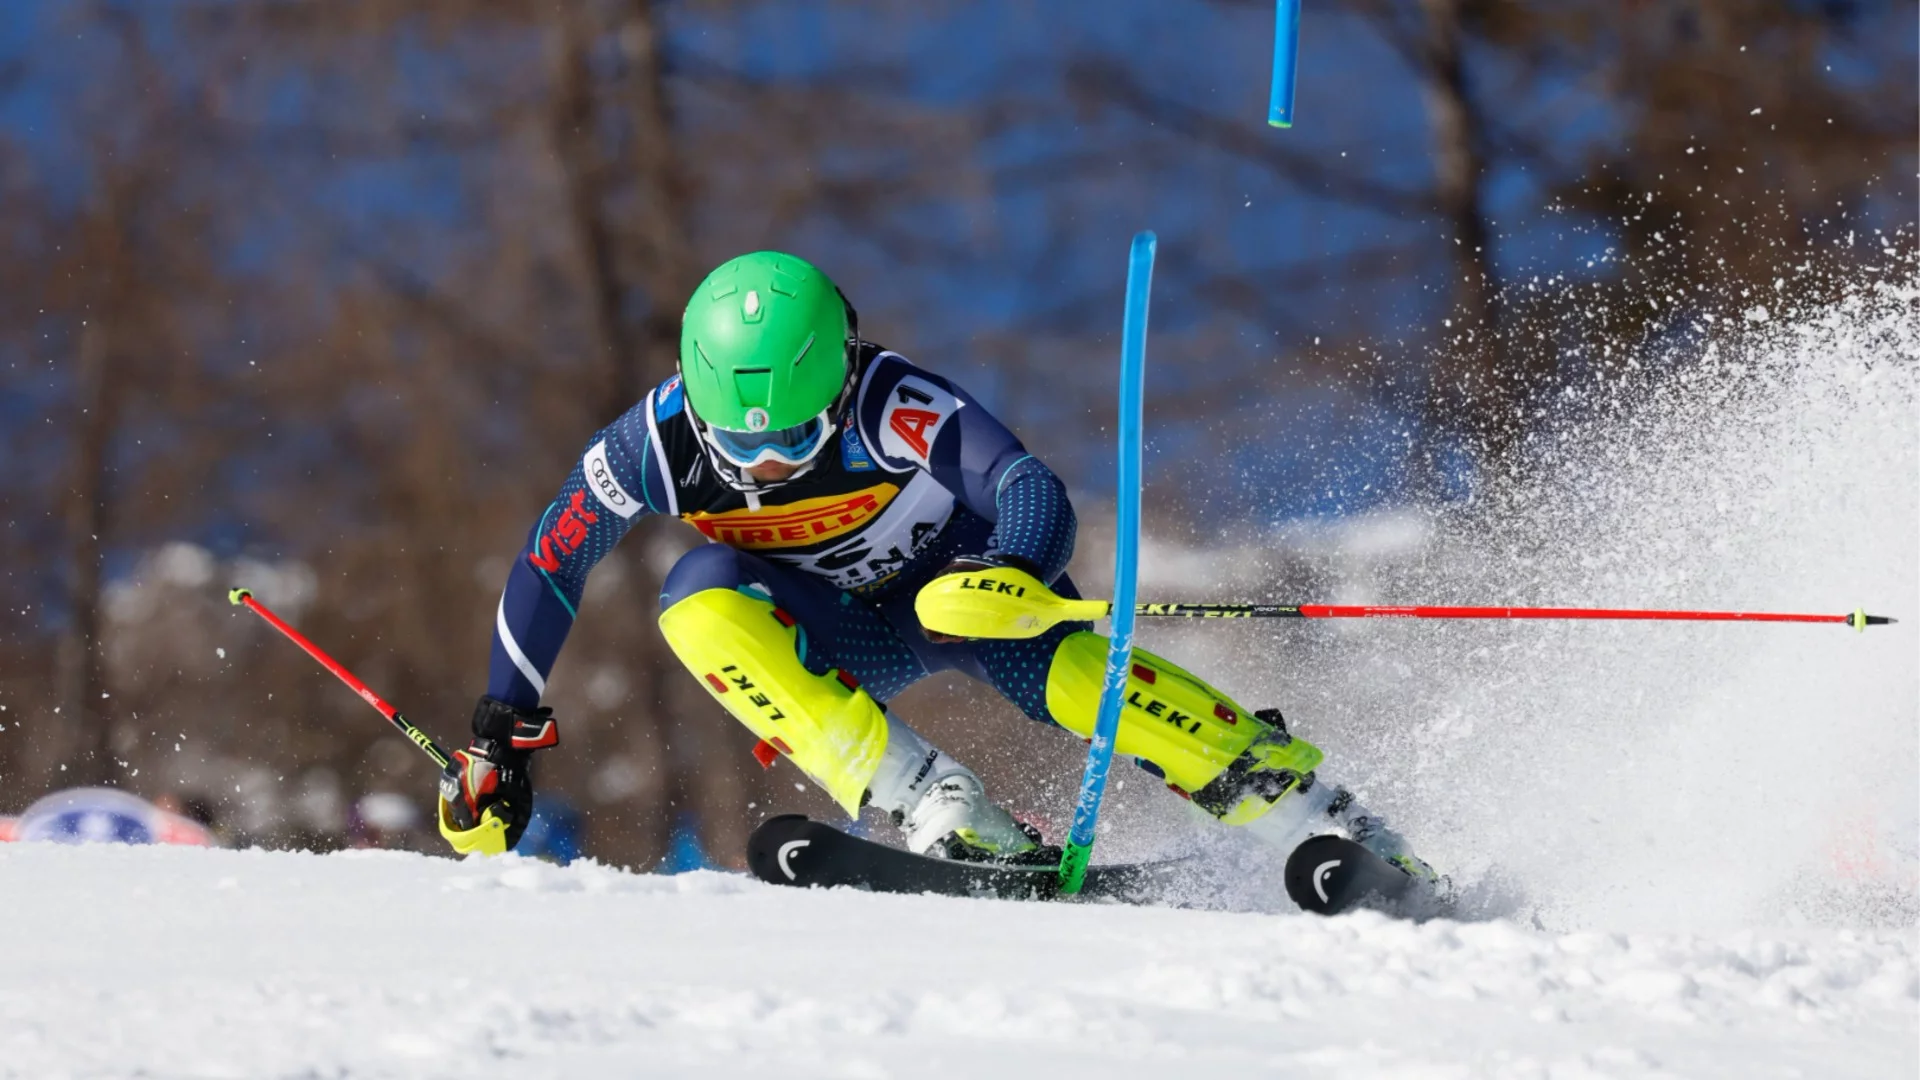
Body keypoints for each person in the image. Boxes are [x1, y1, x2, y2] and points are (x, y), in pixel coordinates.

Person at [436, 251, 1438, 883]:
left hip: (961, 601)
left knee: (1078, 675)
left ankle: (1303, 804)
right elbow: (550, 564)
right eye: (738, 450)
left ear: (835, 384)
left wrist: (1013, 571)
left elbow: (1025, 485)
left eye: (791, 440)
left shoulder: (890, 397)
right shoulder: (648, 445)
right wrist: (501, 733)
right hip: (836, 630)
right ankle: (933, 804)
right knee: (693, 598)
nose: (765, 469)